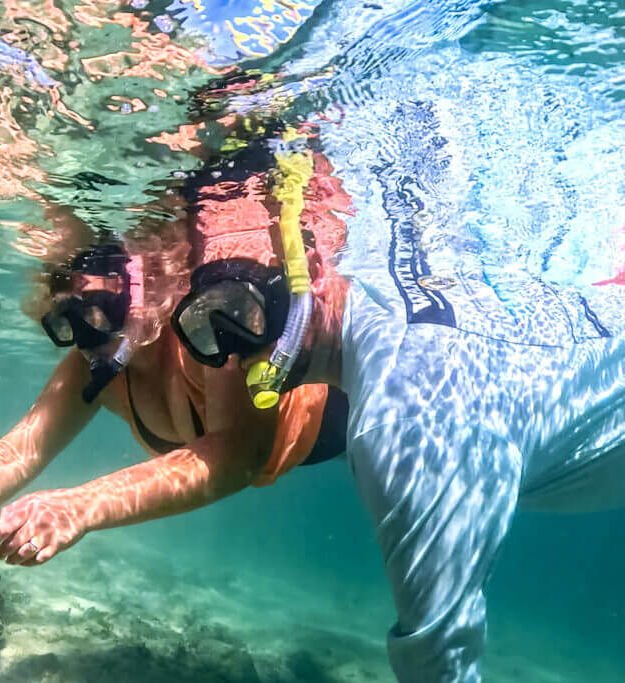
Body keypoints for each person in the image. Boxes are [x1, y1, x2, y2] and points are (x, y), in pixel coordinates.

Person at [152, 125, 625, 681]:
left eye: (245, 306)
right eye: (208, 322)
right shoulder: (384, 267)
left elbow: (442, 666)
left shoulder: (405, 422)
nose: (234, 346)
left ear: (317, 269)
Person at [0, 123, 352, 585]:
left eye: (100, 310)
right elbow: (23, 448)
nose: (90, 335)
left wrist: (80, 506)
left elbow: (235, 458)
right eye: (69, 323)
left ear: (139, 282)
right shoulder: (93, 370)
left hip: (334, 411)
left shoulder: (207, 337)